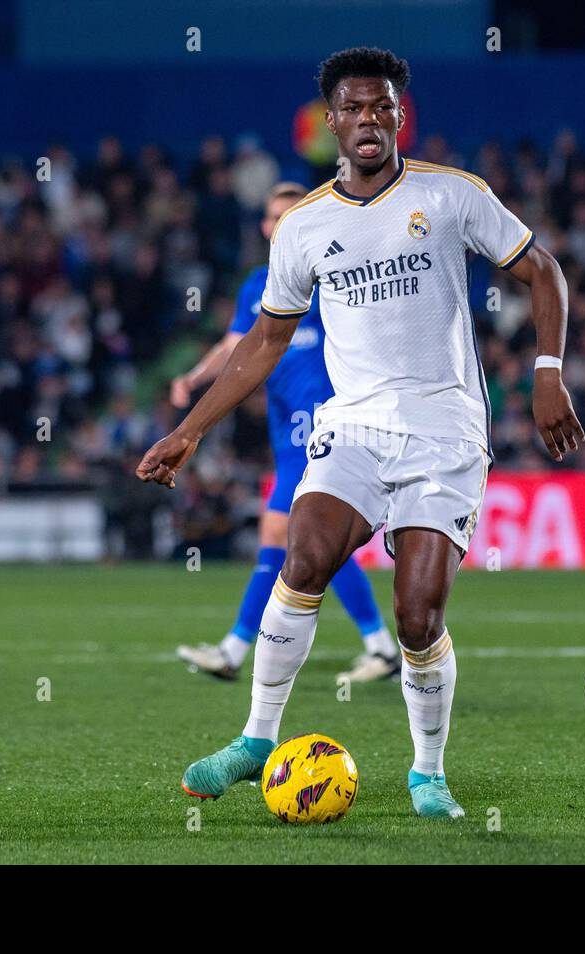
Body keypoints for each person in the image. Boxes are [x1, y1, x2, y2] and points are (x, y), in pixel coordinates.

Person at [137, 47, 584, 819]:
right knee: (303, 555)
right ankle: (254, 740)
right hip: (354, 425)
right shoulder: (305, 226)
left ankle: (428, 772)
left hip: (445, 430)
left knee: (419, 616)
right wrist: (191, 428)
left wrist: (548, 371)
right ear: (331, 123)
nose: (369, 119)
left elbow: (541, 269)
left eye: (382, 106)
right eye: (353, 108)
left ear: (400, 115)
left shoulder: (452, 196)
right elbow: (264, 342)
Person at [171, 182, 398, 683]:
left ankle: (234, 651)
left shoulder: (331, 271)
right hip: (284, 424)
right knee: (305, 539)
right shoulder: (258, 283)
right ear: (265, 226)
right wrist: (194, 377)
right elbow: (237, 344)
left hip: (321, 422)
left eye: (289, 214)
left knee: (285, 532)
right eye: (273, 217)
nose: (280, 224)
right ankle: (379, 644)